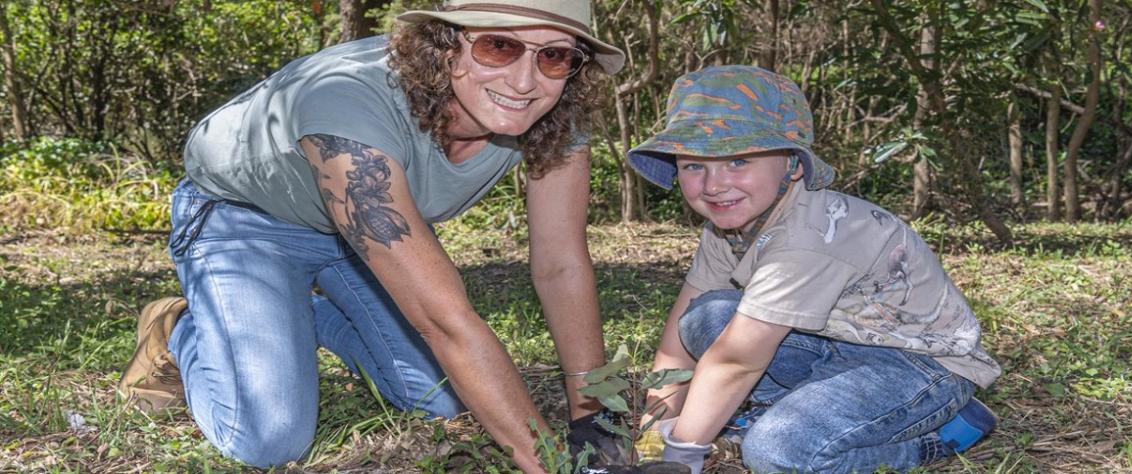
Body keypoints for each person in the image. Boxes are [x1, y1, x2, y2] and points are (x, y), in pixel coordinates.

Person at [117, 1, 639, 471]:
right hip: (245, 219)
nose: (525, 81)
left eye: (553, 56)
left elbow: (561, 263)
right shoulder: (347, 101)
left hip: (358, 236)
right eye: (498, 46)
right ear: (445, 45)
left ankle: (293, 314)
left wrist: (597, 416)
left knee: (445, 400)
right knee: (269, 438)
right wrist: (551, 464)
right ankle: (180, 326)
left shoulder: (554, 115)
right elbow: (444, 319)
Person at [626, 66, 1004, 473]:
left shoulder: (808, 233)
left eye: (738, 160)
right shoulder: (726, 227)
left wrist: (679, 457)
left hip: (921, 366)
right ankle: (775, 412)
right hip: (837, 342)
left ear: (794, 166)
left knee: (775, 452)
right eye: (693, 165)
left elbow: (738, 360)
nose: (714, 185)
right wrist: (654, 431)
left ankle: (938, 438)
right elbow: (676, 341)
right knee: (705, 316)